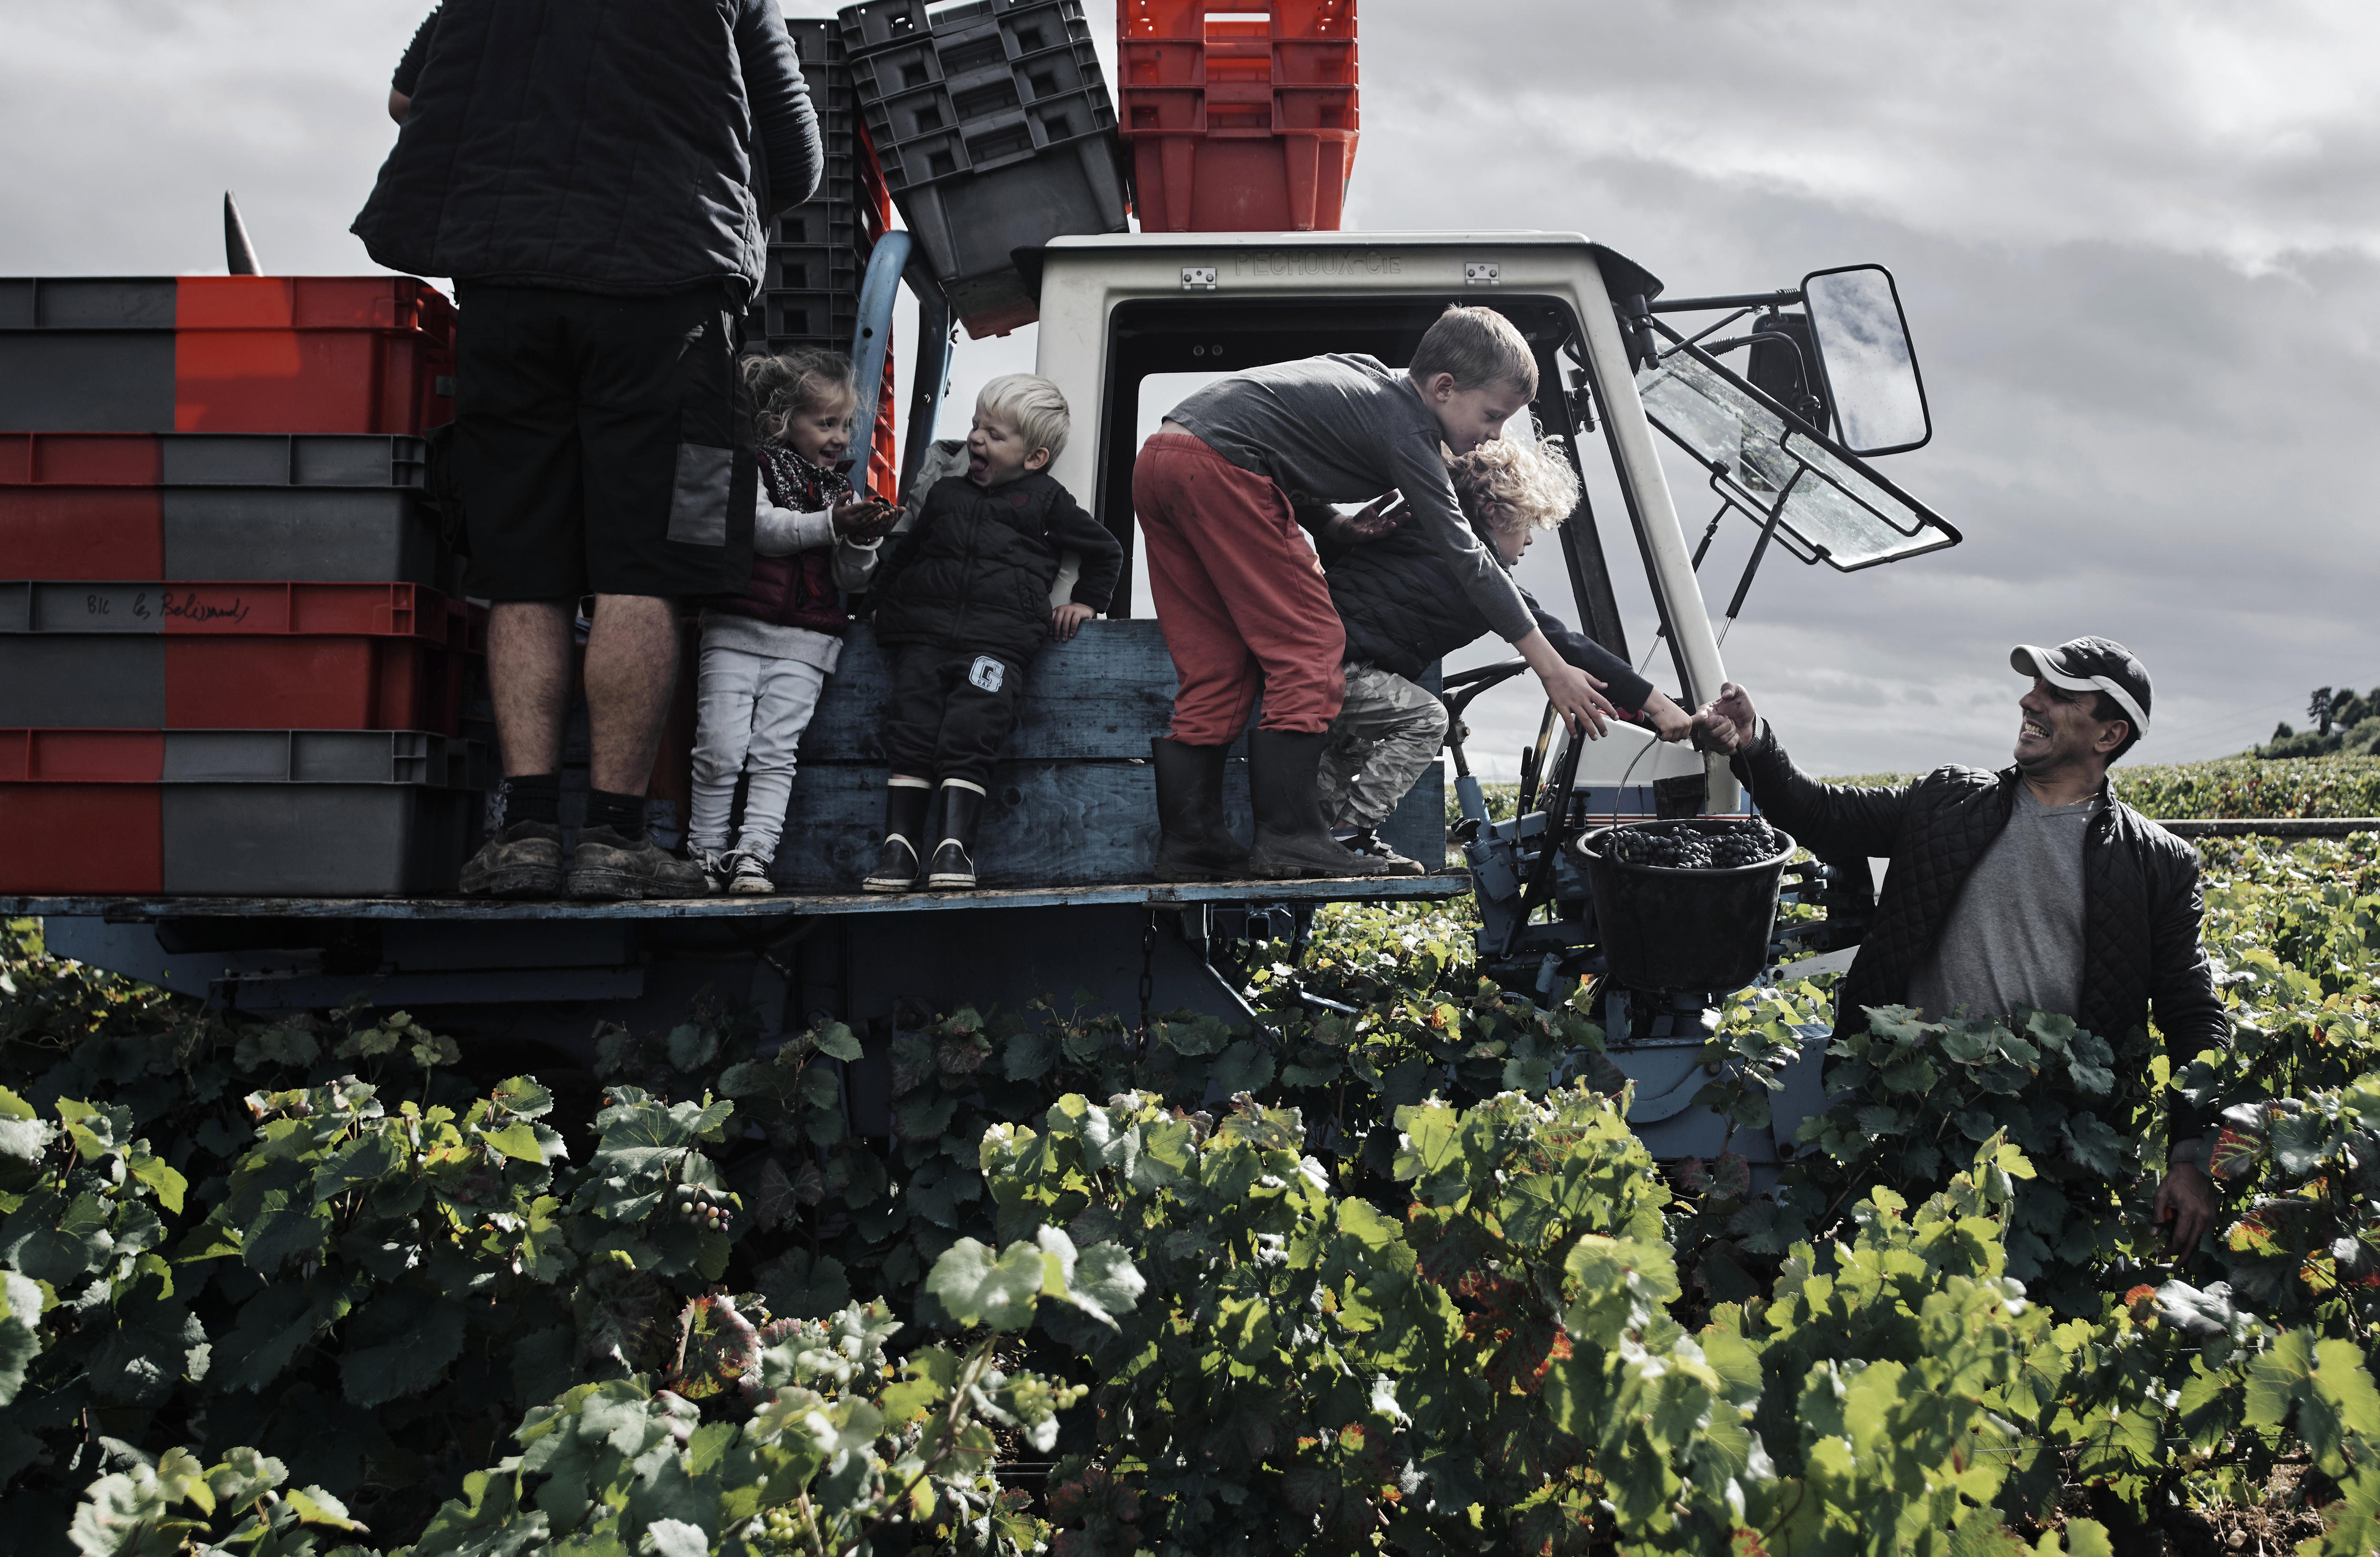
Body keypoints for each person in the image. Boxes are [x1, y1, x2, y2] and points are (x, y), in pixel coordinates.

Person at [353, 2, 823, 900]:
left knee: (521, 564)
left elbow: (406, 102)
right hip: (668, 294)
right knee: (645, 566)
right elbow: (795, 157)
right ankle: (615, 840)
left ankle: (525, 834)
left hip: (507, 286)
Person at [1693, 636, 2226, 1255]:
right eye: (2035, 686)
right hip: (1916, 1115)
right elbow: (1822, 814)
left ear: (2108, 735)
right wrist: (1756, 742)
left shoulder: (2155, 862)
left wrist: (2192, 1154)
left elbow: (2193, 1015)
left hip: (2051, 1142)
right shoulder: (1950, 800)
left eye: (2057, 694)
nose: (2031, 700)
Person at [1132, 305, 1619, 883]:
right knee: (1312, 647)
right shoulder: (1409, 430)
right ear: (1443, 388)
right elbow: (1470, 559)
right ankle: (1291, 838)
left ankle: (1191, 844)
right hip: (1220, 473)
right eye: (1492, 416)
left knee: (1215, 667)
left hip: (1162, 458)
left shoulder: (1363, 376)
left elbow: (1264, 442)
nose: (1494, 435)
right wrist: (1549, 667)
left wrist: (1333, 525)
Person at [1315, 435, 1696, 873]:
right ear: (1495, 513)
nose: (1531, 540)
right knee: (1427, 719)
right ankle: (1353, 831)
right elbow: (1562, 640)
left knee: (1355, 739)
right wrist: (1658, 705)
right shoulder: (1478, 571)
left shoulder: (1412, 529)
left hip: (1316, 658)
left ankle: (1317, 833)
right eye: (1528, 524)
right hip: (1338, 665)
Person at [861, 376, 1123, 893]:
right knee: (911, 733)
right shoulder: (945, 494)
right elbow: (905, 554)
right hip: (924, 637)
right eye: (977, 426)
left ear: (1034, 458)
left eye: (995, 434)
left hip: (996, 645)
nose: (977, 439)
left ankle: (954, 850)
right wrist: (874, 606)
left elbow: (1105, 550)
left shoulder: (1047, 502)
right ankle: (899, 850)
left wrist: (1087, 603)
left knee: (970, 735)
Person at [687, 351, 898, 895]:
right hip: (735, 631)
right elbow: (762, 529)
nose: (839, 437)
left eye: (845, 424)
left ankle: (754, 853)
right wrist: (831, 524)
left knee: (775, 752)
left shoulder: (842, 494)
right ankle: (704, 853)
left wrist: (862, 538)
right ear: (783, 421)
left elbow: (850, 579)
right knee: (718, 747)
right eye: (825, 422)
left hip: (805, 643)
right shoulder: (754, 468)